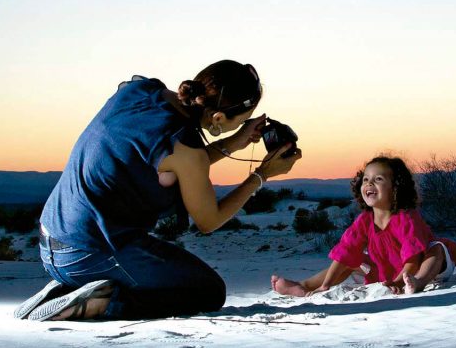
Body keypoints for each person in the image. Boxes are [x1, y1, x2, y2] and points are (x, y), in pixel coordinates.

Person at [15, 60, 301, 321]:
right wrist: (262, 175)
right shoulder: (185, 148)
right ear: (216, 118)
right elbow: (208, 220)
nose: (239, 126)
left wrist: (234, 142)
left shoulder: (142, 90)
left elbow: (164, 159)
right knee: (208, 291)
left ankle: (68, 288)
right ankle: (100, 302)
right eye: (239, 121)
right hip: (91, 252)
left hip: (51, 243)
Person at [271, 156, 456, 297]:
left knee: (437, 249)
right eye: (366, 179)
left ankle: (418, 283)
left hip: (424, 269)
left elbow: (413, 258)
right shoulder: (365, 220)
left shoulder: (406, 217)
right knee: (353, 260)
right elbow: (345, 252)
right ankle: (304, 286)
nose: (369, 183)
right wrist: (327, 285)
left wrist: (401, 281)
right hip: (387, 271)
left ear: (396, 187)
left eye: (378, 179)